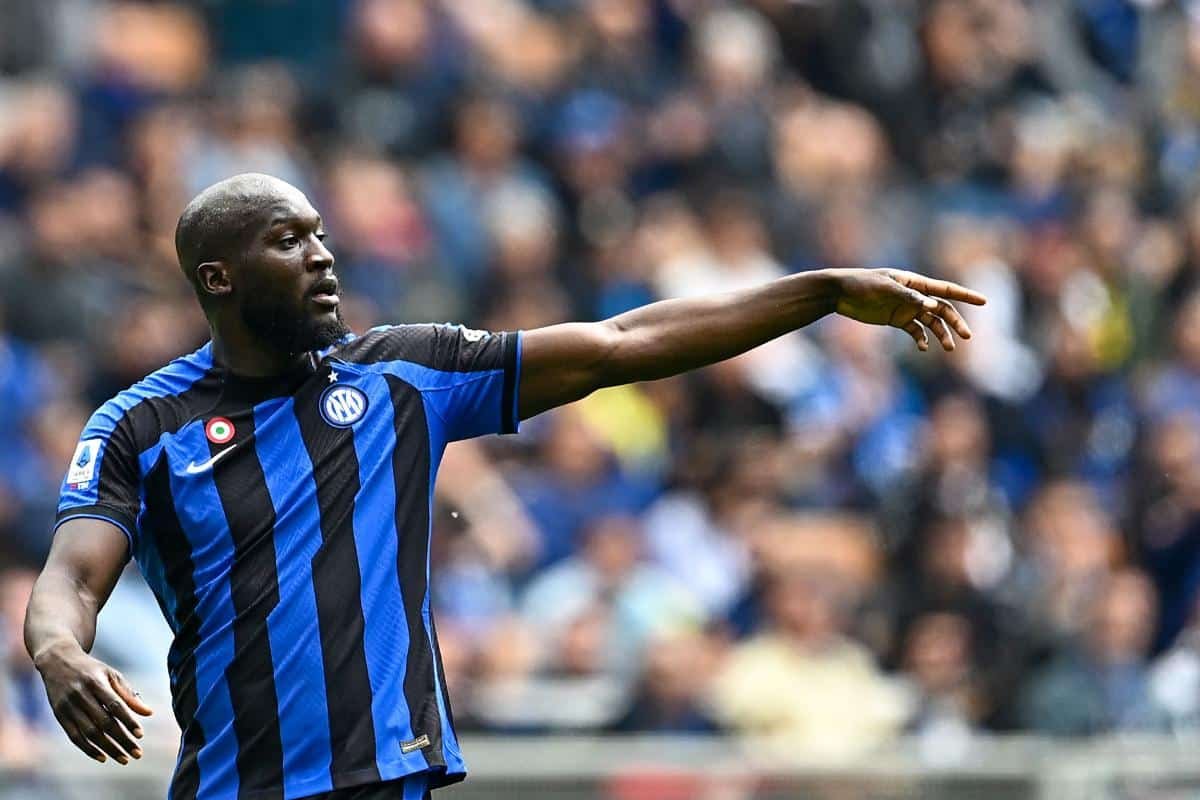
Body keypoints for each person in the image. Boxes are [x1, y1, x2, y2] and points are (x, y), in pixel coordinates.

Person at [21, 173, 984, 800]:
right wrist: (60, 653)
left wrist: (818, 293)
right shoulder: (143, 426)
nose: (322, 255)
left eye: (321, 233)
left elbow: (621, 344)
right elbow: (72, 578)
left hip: (387, 779)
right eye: (288, 240)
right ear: (218, 276)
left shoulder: (402, 376)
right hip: (236, 785)